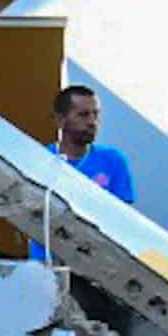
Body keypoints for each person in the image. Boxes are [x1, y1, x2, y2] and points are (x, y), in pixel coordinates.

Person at [29, 82, 137, 265]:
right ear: (60, 120)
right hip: (47, 263)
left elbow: (123, 220)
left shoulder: (113, 161)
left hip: (98, 266)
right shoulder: (40, 160)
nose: (92, 122)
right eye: (83, 115)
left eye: (96, 114)